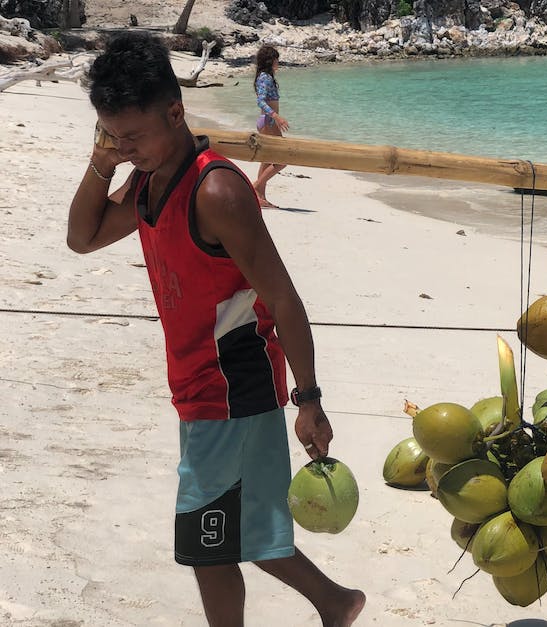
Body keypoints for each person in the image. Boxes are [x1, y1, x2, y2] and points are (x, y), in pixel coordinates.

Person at [67, 32, 364, 626]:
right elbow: (84, 237)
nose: (124, 148)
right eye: (112, 135)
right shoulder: (149, 179)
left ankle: (333, 603)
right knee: (240, 526)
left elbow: (283, 298)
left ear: (175, 112)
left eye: (133, 135)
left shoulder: (218, 191)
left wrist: (309, 400)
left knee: (207, 541)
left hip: (232, 382)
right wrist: (102, 163)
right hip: (198, 380)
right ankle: (335, 603)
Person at [253, 45, 289, 208]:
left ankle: (260, 197)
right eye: (276, 59)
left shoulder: (266, 76)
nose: (278, 63)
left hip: (268, 122)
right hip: (269, 122)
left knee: (267, 161)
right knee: (282, 160)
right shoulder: (265, 77)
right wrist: (277, 117)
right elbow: (260, 101)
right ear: (270, 60)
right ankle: (254, 187)